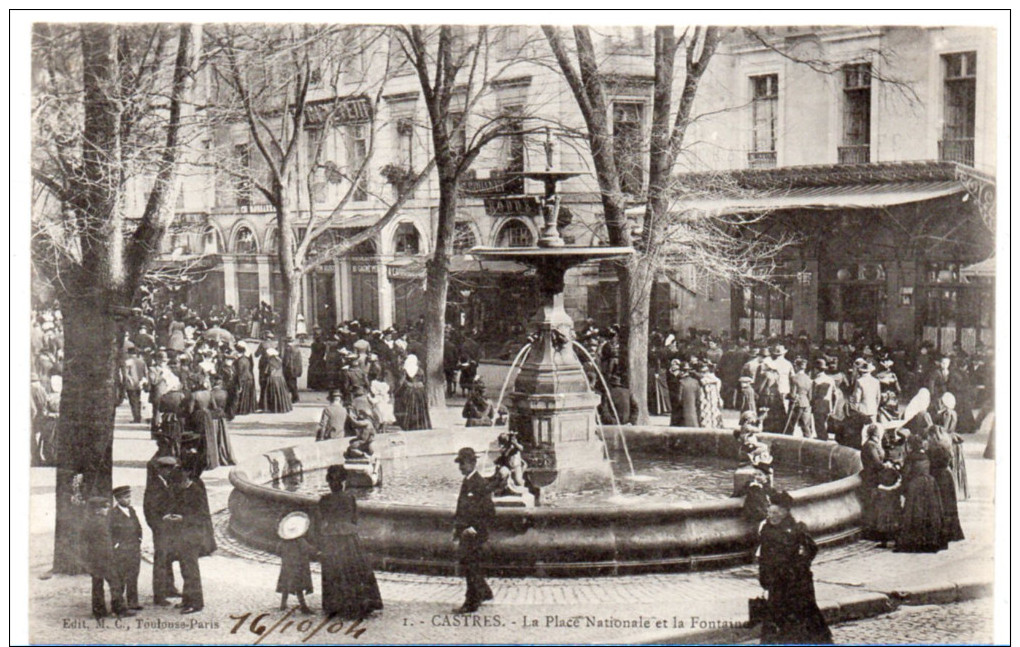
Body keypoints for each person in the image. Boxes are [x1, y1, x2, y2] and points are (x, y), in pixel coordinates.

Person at [756, 491, 832, 645]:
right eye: (769, 512)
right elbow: (763, 556)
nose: (772, 516)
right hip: (776, 579)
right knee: (775, 613)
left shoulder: (797, 528)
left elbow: (811, 549)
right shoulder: (766, 530)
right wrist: (763, 575)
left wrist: (799, 566)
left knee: (802, 613)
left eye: (775, 513)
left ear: (785, 512)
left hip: (797, 581)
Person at [315, 465, 383, 619]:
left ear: (329, 483)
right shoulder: (350, 498)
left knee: (335, 570)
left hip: (331, 537)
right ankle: (361, 603)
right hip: (349, 537)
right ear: (344, 482)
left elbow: (320, 521)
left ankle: (336, 605)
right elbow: (354, 519)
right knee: (354, 568)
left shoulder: (324, 500)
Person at [452, 447, 495, 613]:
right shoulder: (467, 481)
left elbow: (489, 511)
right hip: (466, 532)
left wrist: (474, 527)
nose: (460, 467)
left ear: (472, 463)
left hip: (475, 534)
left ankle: (471, 602)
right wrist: (458, 528)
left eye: (463, 463)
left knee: (471, 566)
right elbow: (462, 508)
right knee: (469, 564)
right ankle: (484, 592)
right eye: (459, 463)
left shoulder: (480, 483)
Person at [168, 468, 216, 613]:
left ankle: (196, 603)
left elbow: (201, 516)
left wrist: (182, 518)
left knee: (191, 570)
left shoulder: (196, 491)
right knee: (185, 569)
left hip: (192, 538)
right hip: (183, 536)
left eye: (178, 484)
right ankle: (187, 600)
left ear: (184, 481)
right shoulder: (183, 490)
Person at [84, 496, 134, 620]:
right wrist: (112, 556)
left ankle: (98, 610)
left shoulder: (89, 521)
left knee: (97, 584)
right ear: (97, 510)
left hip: (94, 558)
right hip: (105, 558)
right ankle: (119, 609)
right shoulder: (101, 523)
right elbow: (105, 543)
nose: (107, 509)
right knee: (115, 582)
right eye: (105, 507)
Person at [895, 434, 945, 553]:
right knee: (928, 511)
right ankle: (929, 540)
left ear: (911, 445)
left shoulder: (911, 457)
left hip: (916, 484)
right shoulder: (926, 455)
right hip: (928, 483)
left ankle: (914, 540)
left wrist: (899, 472)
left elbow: (906, 473)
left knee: (914, 511)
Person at [143, 455, 180, 606]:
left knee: (169, 557)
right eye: (169, 469)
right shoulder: (154, 486)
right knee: (161, 560)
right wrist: (158, 525)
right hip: (161, 529)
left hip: (169, 528)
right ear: (162, 470)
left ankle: (169, 588)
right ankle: (159, 595)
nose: (171, 472)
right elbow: (149, 510)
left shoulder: (166, 482)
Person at [109, 486, 144, 611]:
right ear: (118, 499)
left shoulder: (131, 511)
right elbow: (111, 532)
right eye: (125, 497)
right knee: (121, 576)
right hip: (122, 549)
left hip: (134, 547)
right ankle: (119, 603)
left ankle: (133, 602)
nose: (128, 500)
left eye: (129, 497)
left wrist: (139, 539)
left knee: (133, 575)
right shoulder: (113, 514)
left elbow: (138, 526)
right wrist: (117, 545)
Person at [276, 513, 316, 614]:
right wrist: (318, 551)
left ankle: (283, 604)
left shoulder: (283, 542)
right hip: (299, 566)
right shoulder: (300, 541)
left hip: (286, 566)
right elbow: (307, 550)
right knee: (299, 587)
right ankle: (303, 606)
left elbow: (278, 551)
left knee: (285, 585)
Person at [859, 424, 885, 540]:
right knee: (872, 503)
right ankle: (871, 530)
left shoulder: (871, 444)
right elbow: (876, 462)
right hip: (872, 478)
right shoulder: (870, 446)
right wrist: (885, 466)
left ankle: (873, 529)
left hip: (873, 477)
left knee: (874, 503)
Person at [394, 354, 431, 431]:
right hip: (420, 391)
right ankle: (420, 424)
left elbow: (402, 382)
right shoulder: (420, 370)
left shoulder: (406, 370)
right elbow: (424, 380)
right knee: (420, 407)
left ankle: (409, 424)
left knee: (409, 407)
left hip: (409, 390)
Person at [786, 358, 815, 438]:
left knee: (790, 425)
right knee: (805, 426)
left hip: (796, 403)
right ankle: (808, 443)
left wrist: (786, 396)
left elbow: (793, 394)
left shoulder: (794, 378)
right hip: (806, 403)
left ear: (797, 367)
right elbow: (810, 395)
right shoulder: (809, 379)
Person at [260, 348, 293, 414]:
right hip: (280, 378)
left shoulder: (270, 361)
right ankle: (282, 407)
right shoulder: (279, 360)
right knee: (280, 393)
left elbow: (267, 371)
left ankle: (272, 407)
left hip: (272, 378)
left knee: (272, 393)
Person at [121, 348, 148, 424]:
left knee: (133, 401)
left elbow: (125, 374)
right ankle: (139, 416)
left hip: (131, 384)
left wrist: (127, 382)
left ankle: (136, 418)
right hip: (140, 384)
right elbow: (145, 373)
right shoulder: (142, 362)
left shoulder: (127, 362)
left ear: (129, 353)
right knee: (139, 400)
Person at [282, 337, 303, 403]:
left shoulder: (288, 349)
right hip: (295, 369)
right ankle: (295, 397)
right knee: (293, 383)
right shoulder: (297, 349)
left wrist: (284, 367)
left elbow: (287, 360)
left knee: (289, 384)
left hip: (289, 369)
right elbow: (299, 360)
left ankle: (293, 398)